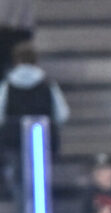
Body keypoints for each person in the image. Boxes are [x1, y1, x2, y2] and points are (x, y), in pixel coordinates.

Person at [0, 42, 66, 197]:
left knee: (18, 183)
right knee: (41, 182)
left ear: (15, 61)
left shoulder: (7, 86)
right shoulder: (48, 85)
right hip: (43, 142)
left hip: (14, 142)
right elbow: (62, 114)